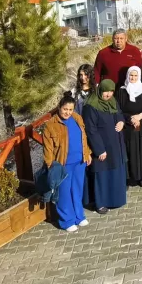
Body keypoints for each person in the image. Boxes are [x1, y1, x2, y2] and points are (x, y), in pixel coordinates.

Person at [42, 91, 92, 232]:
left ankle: (79, 216)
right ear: (59, 107)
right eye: (65, 109)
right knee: (63, 192)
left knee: (77, 189)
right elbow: (47, 149)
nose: (67, 112)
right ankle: (66, 220)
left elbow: (84, 137)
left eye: (70, 109)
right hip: (62, 164)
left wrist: (87, 153)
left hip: (80, 161)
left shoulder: (77, 118)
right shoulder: (51, 125)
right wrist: (50, 165)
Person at [82, 79, 127, 213]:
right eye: (106, 91)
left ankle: (116, 199)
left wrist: (121, 122)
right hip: (102, 146)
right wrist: (99, 149)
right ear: (100, 90)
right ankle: (101, 203)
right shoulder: (91, 106)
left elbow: (119, 113)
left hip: (115, 145)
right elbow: (91, 129)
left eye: (111, 91)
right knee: (102, 174)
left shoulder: (112, 101)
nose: (108, 94)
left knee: (115, 171)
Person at [116, 66, 142, 187]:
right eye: (131, 75)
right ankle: (129, 178)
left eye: (135, 75)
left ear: (139, 76)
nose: (133, 78)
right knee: (129, 152)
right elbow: (118, 109)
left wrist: (140, 116)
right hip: (127, 126)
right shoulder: (122, 91)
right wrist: (130, 118)